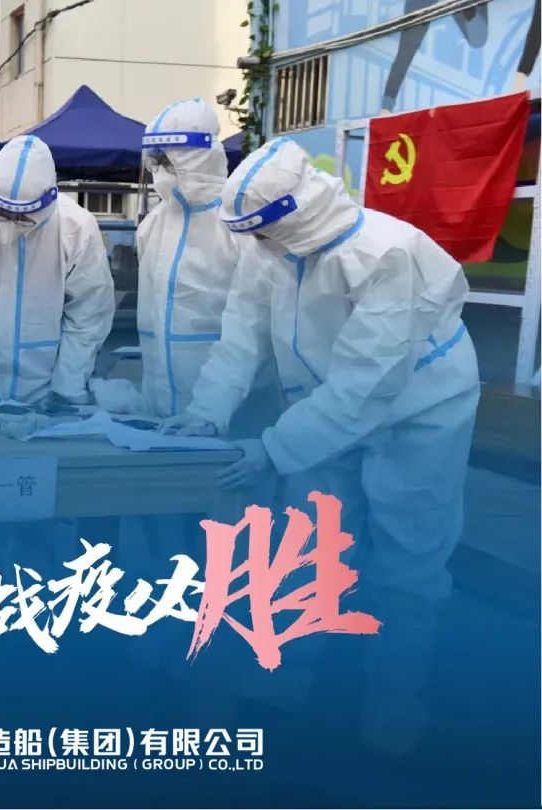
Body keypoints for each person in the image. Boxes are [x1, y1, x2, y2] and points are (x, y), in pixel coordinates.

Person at [166, 137, 480, 754]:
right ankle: (288, 685)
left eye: (263, 231)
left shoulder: (387, 252)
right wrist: (206, 414)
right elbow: (241, 337)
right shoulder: (269, 247)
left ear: (297, 212)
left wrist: (272, 449)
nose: (256, 243)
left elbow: (369, 381)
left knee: (407, 559)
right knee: (309, 544)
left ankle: (395, 708)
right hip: (320, 408)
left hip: (420, 411)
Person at [0, 135, 116, 410]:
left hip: (50, 390)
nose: (10, 226)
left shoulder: (76, 227)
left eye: (22, 218)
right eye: (1, 213)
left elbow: (88, 314)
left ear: (48, 202)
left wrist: (67, 386)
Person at [136, 98, 241, 418]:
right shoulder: (153, 224)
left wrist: (214, 411)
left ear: (200, 158)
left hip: (226, 411)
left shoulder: (236, 223)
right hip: (158, 407)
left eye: (170, 161)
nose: (161, 172)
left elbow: (253, 322)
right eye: (156, 162)